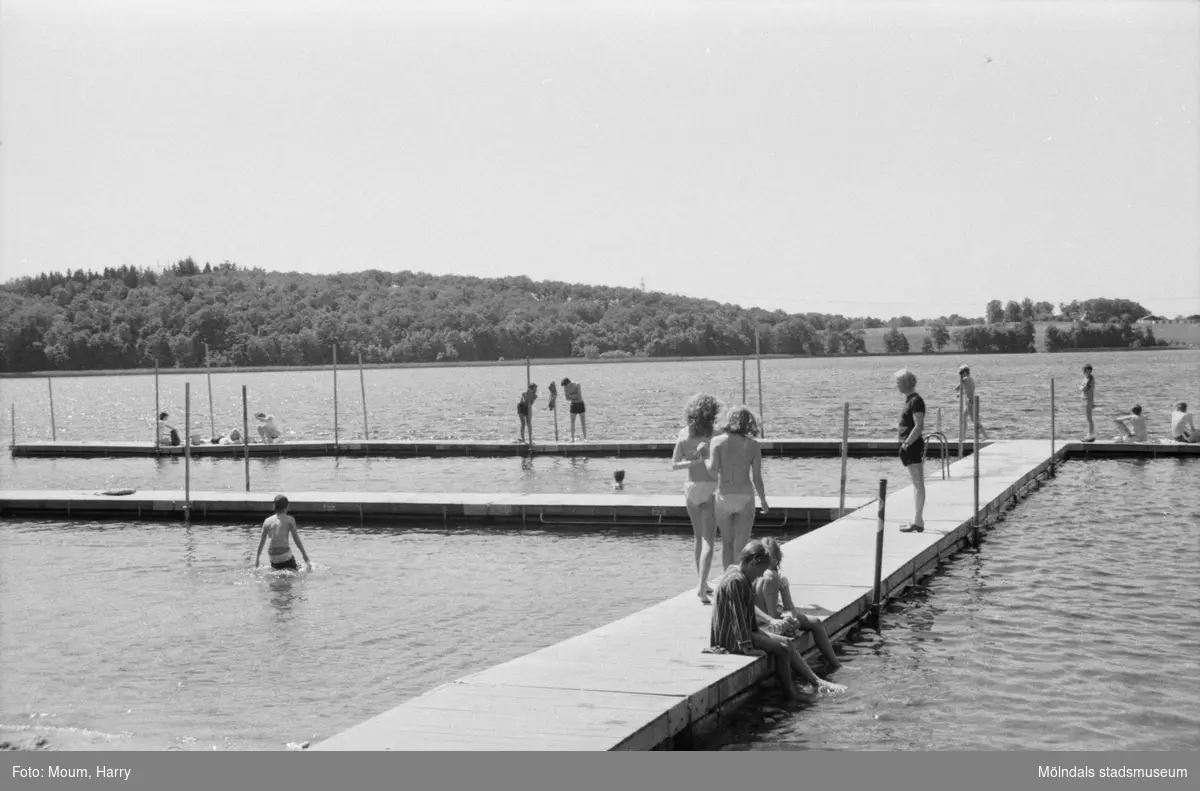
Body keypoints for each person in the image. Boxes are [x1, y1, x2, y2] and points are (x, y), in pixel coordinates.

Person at [707, 540, 844, 700]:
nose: (759, 576)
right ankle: (795, 692)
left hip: (741, 634)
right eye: (760, 571)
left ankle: (813, 683)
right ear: (753, 562)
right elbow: (737, 616)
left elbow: (746, 609)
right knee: (782, 647)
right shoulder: (736, 582)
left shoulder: (734, 573)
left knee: (787, 644)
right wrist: (747, 648)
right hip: (732, 639)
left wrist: (768, 623)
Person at [753, 538, 841, 674]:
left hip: (759, 620)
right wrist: (785, 590)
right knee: (815, 623)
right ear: (777, 559)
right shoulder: (771, 576)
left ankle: (832, 663)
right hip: (766, 624)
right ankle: (835, 664)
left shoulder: (755, 573)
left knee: (809, 621)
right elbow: (773, 616)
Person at [704, 405, 769, 573]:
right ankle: (741, 581)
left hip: (723, 496)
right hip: (745, 496)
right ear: (748, 422)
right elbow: (756, 477)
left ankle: (728, 580)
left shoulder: (717, 441)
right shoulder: (753, 445)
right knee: (742, 546)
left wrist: (702, 458)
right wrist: (763, 500)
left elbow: (712, 471)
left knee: (726, 543)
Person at [672, 394, 722, 603]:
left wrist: (693, 460)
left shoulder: (684, 433)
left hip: (690, 488)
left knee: (697, 537)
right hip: (710, 488)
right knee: (708, 540)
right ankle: (702, 586)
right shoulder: (716, 435)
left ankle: (702, 581)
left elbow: (674, 464)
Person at [895, 368, 926, 533]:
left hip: (912, 446)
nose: (896, 385)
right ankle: (917, 520)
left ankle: (918, 521)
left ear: (907, 383)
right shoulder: (909, 400)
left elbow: (919, 426)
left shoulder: (915, 401)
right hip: (908, 445)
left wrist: (906, 444)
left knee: (918, 483)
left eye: (898, 382)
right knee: (916, 483)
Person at [255, 495, 311, 572]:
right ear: (287, 506)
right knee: (296, 573)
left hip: (272, 556)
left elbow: (262, 542)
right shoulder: (290, 520)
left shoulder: (267, 521)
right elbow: (296, 539)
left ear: (274, 506)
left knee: (277, 573)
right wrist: (305, 556)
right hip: (284, 555)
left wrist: (257, 559)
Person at [954, 365, 988, 440]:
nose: (960, 374)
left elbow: (957, 388)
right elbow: (968, 390)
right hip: (970, 402)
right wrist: (961, 395)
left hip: (970, 402)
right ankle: (963, 437)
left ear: (965, 372)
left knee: (975, 420)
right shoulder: (971, 379)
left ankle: (985, 435)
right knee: (964, 418)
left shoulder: (965, 379)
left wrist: (961, 379)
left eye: (961, 372)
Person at [1078, 364, 1096, 442]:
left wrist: (1081, 387)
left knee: (1089, 419)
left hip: (1088, 400)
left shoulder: (1090, 378)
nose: (1084, 372)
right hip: (1085, 399)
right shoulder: (1086, 378)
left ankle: (1090, 435)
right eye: (1083, 370)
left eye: (1085, 370)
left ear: (1089, 370)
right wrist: (1081, 387)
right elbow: (1081, 387)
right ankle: (1089, 434)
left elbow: (1084, 388)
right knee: (1087, 419)